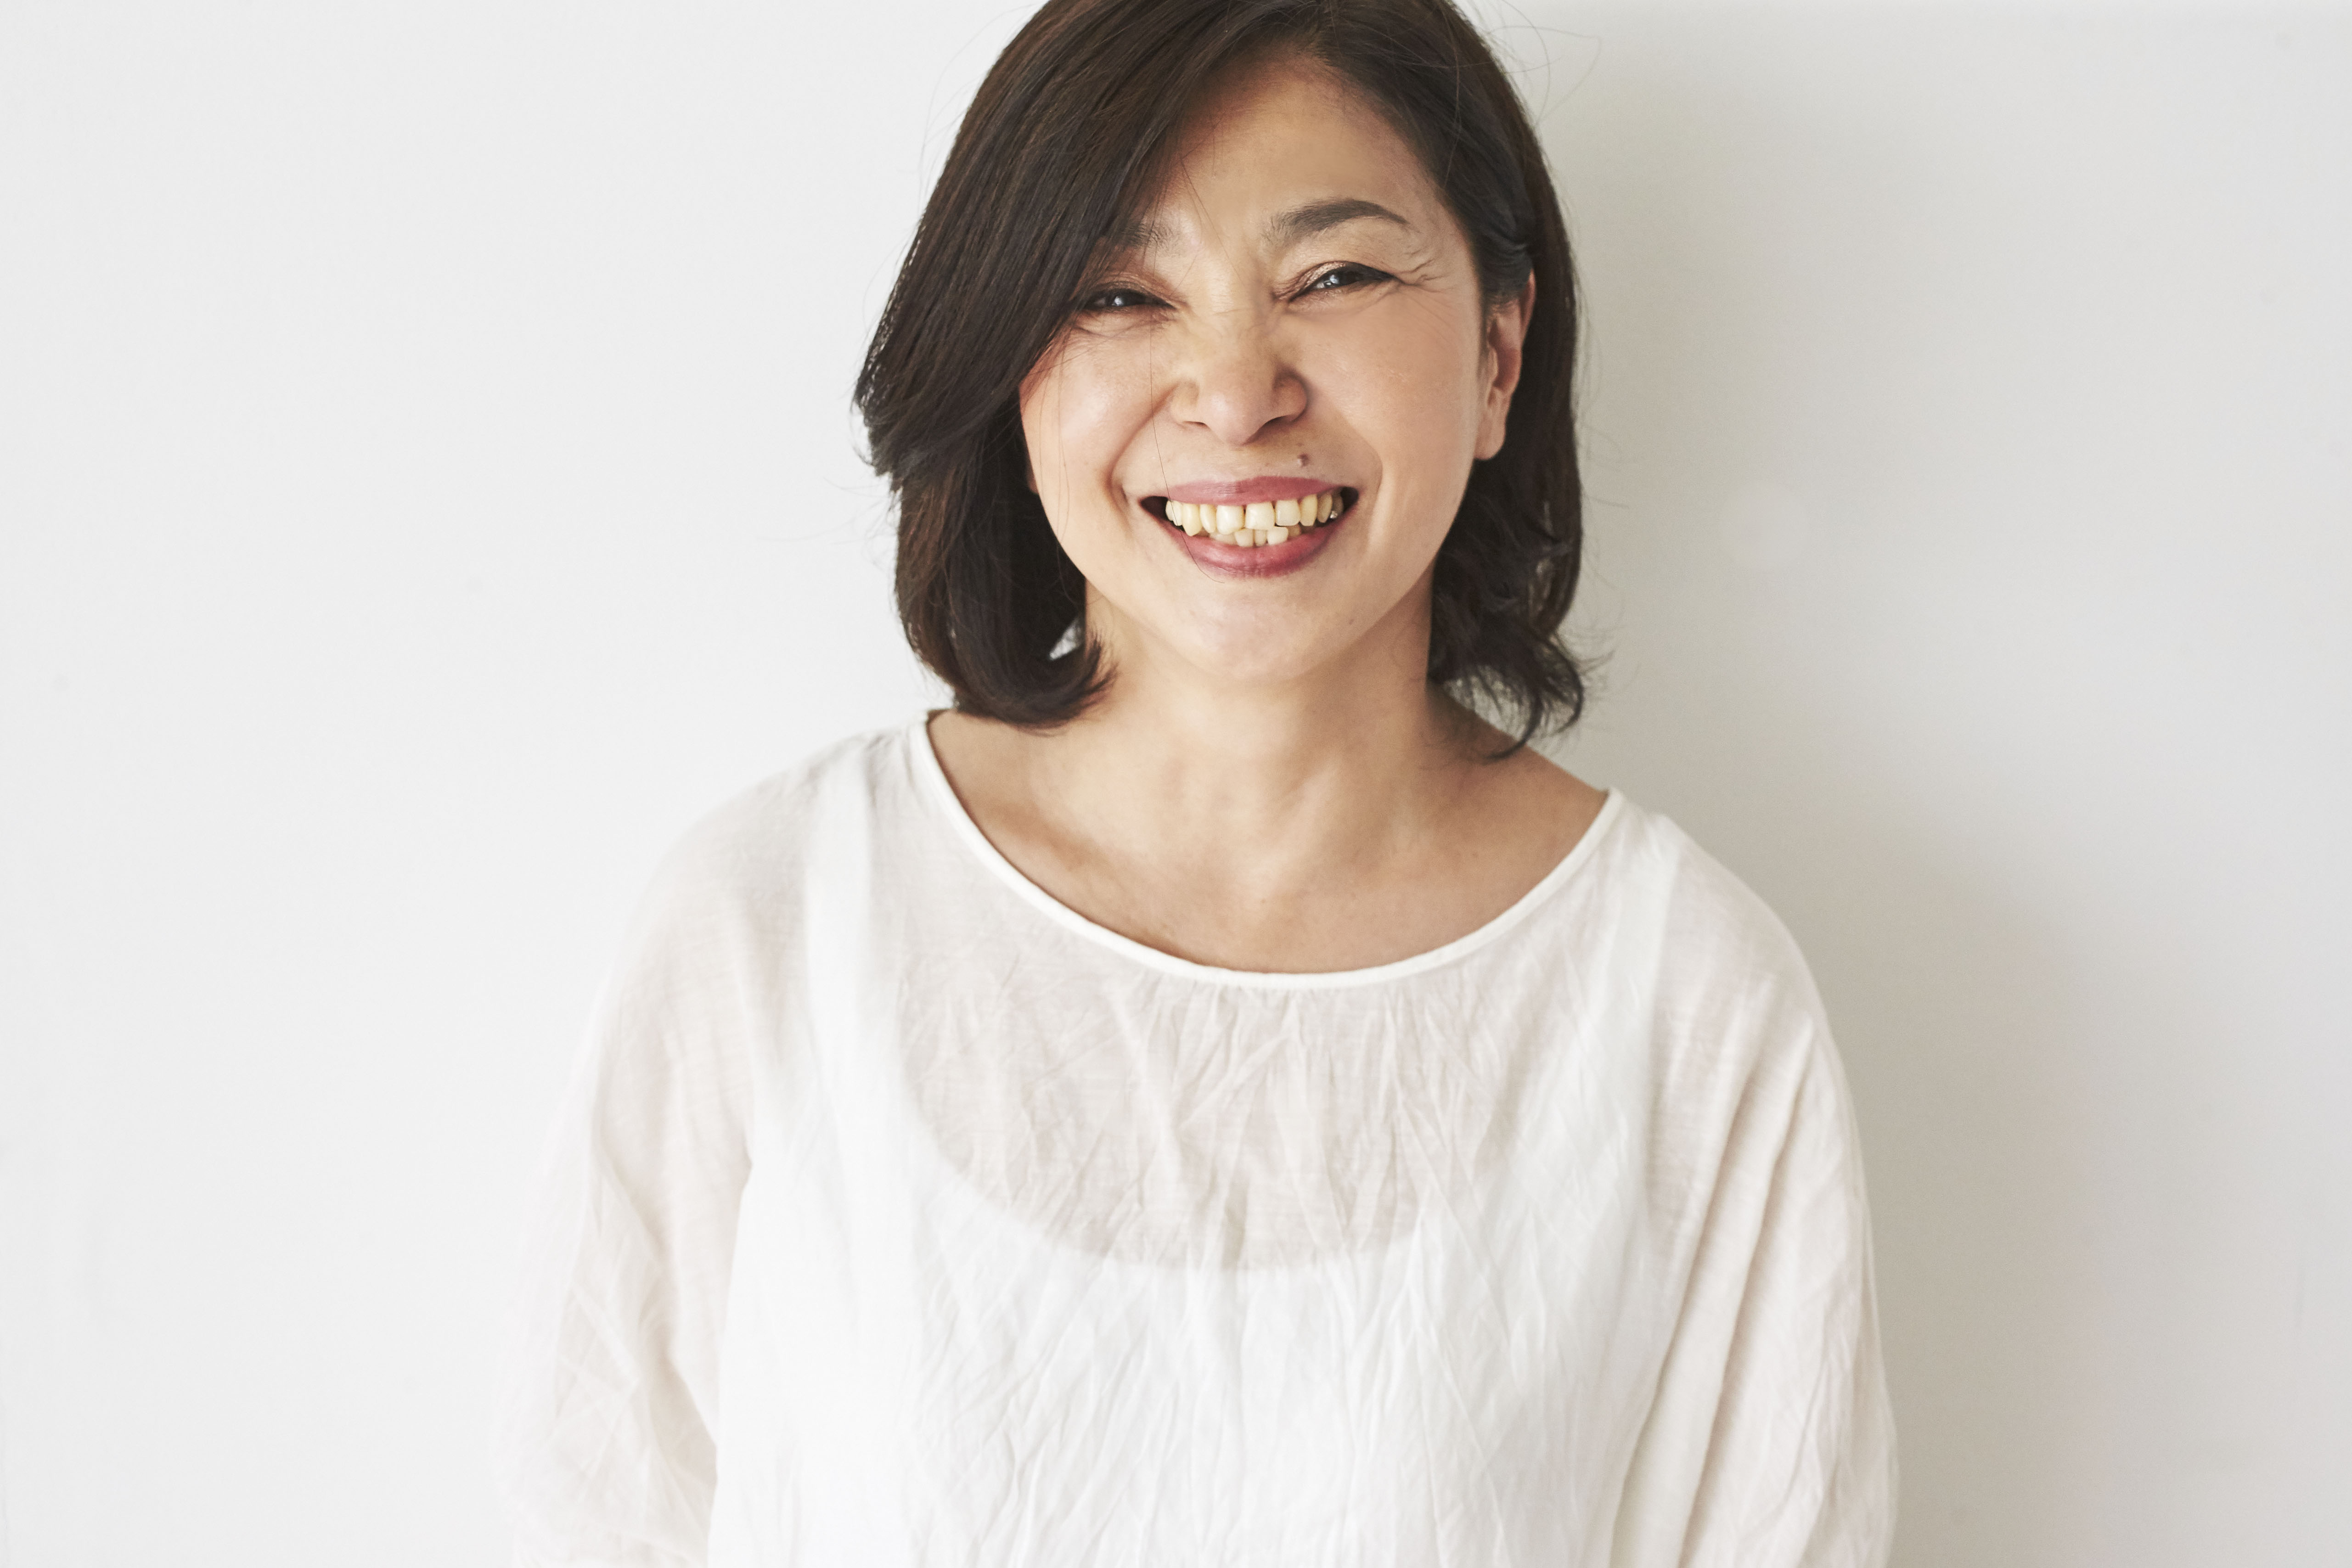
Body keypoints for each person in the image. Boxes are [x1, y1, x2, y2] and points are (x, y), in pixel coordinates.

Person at [496, 0, 1897, 1561]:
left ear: (1499, 354)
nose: (1235, 393)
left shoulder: (1687, 1001)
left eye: (1335, 276)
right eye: (1117, 293)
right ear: (1008, 367)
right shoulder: (775, 920)